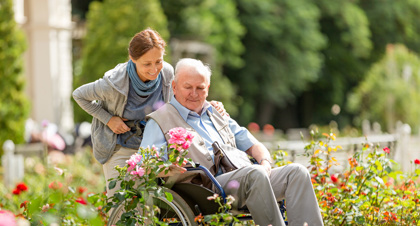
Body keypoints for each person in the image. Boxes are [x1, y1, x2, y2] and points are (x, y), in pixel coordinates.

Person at [140, 58, 324, 226]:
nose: (194, 94)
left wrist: (265, 163)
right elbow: (146, 164)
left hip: (244, 179)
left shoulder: (216, 113)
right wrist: (170, 167)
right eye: (188, 87)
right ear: (174, 86)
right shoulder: (160, 120)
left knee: (297, 173)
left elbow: (254, 145)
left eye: (201, 88)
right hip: (203, 190)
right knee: (255, 174)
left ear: (208, 87)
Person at [72, 29, 225, 198]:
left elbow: (181, 97)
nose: (154, 69)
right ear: (133, 59)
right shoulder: (113, 83)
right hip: (120, 148)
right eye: (147, 64)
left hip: (153, 148)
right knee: (122, 203)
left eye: (158, 61)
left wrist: (208, 105)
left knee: (153, 206)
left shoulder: (166, 72)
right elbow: (79, 95)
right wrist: (109, 119)